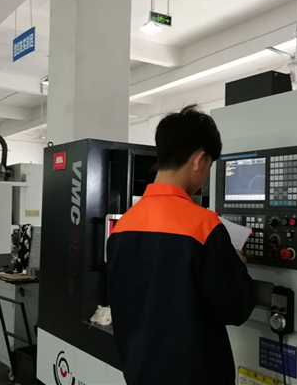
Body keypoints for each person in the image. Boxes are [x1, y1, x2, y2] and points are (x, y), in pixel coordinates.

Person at [107, 105, 255, 385]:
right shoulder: (203, 226)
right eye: (209, 165)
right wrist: (238, 264)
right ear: (199, 160)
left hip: (140, 373)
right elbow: (236, 309)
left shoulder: (123, 225)